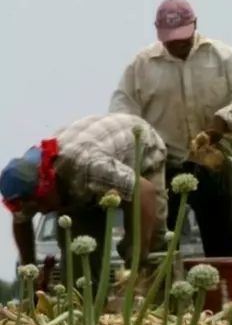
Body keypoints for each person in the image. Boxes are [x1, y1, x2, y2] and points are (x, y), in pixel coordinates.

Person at [110, 0, 232, 258]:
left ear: (195, 26)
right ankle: (163, 296)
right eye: (170, 38)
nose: (176, 43)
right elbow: (122, 113)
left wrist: (223, 120)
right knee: (161, 246)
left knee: (224, 243)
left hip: (212, 162)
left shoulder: (222, 56)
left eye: (182, 36)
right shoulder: (142, 65)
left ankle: (227, 296)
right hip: (163, 167)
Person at [0, 114, 168, 293]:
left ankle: (163, 307)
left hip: (141, 152)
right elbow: (21, 222)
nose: (42, 211)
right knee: (78, 266)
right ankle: (91, 314)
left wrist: (137, 253)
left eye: (41, 202)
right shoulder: (23, 181)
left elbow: (144, 191)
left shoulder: (87, 165)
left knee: (152, 247)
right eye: (34, 208)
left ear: (48, 183)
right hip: (82, 186)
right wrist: (30, 277)